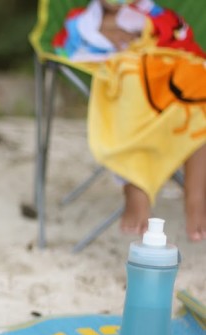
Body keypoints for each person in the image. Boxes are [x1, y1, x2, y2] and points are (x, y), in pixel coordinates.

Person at [53, 0, 206, 241]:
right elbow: (70, 42)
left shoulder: (155, 16)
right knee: (130, 83)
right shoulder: (84, 20)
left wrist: (145, 30)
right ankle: (135, 188)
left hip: (169, 77)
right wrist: (106, 30)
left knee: (200, 92)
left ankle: (196, 197)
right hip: (128, 79)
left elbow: (180, 39)